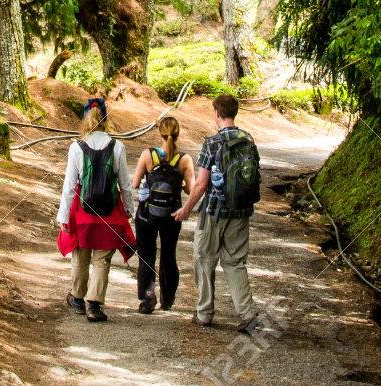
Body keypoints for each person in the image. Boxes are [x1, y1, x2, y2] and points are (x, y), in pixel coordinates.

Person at [172, 94, 262, 333]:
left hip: (213, 211)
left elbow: (201, 184)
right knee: (235, 263)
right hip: (240, 211)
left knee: (204, 259)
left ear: (217, 114)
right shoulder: (249, 140)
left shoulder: (212, 142)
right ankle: (248, 313)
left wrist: (186, 209)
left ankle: (204, 313)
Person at [57, 97, 137, 323]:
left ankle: (77, 298)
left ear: (85, 118)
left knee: (80, 256)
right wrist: (129, 210)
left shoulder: (76, 147)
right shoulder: (117, 146)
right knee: (102, 260)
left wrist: (63, 215)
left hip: (83, 212)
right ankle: (94, 304)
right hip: (109, 214)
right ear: (105, 118)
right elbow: (125, 185)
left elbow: (70, 186)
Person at [130, 116, 194, 314]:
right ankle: (167, 299)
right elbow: (191, 189)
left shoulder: (148, 155)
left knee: (146, 255)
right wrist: (179, 183)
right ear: (178, 132)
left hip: (146, 214)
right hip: (171, 216)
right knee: (168, 255)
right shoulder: (184, 159)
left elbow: (134, 183)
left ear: (159, 132)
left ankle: (147, 297)